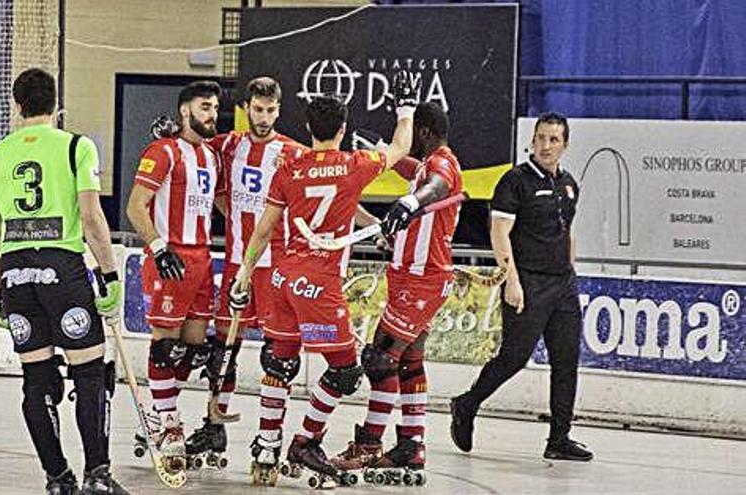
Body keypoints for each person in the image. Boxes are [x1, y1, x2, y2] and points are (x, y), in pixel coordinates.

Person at [231, 70, 420, 486]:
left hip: (281, 277)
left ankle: (266, 443)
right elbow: (401, 145)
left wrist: (245, 274)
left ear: (306, 128)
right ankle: (306, 439)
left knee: (278, 360)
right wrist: (404, 108)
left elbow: (263, 230)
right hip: (318, 283)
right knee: (344, 371)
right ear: (344, 129)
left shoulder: (289, 170)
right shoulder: (354, 165)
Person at [0, 68, 127, 494]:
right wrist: (110, 273)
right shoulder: (77, 147)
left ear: (17, 105)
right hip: (63, 270)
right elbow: (93, 219)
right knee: (90, 374)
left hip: (16, 273)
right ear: (56, 104)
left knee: (37, 380)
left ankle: (58, 478)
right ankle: (97, 475)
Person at [449, 112, 593, 461]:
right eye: (541, 138)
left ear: (565, 144)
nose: (546, 145)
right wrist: (511, 280)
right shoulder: (515, 181)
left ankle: (559, 438)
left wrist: (570, 272)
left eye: (554, 139)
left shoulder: (570, 183)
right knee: (513, 358)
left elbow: (567, 231)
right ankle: (466, 404)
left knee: (566, 363)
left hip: (562, 285)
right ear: (533, 140)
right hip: (526, 282)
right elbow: (499, 233)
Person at [330, 102, 463, 477]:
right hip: (412, 277)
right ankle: (410, 445)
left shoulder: (441, 164)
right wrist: (377, 147)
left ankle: (370, 444)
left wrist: (409, 201)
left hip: (421, 280)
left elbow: (437, 187)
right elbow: (406, 164)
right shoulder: (423, 164)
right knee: (408, 361)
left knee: (379, 358)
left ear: (423, 132)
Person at [183, 76, 306, 459]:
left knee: (277, 356)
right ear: (246, 109)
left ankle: (270, 436)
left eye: (271, 111)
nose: (264, 117)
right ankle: (214, 427)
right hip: (239, 263)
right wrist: (172, 130)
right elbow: (194, 142)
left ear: (279, 110)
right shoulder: (230, 145)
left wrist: (368, 222)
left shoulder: (293, 152)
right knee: (223, 351)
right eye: (258, 110)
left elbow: (336, 187)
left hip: (275, 269)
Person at [125, 80, 221, 461]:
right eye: (203, 107)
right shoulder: (163, 151)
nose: (211, 114)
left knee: (192, 349)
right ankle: (168, 423)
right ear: (185, 111)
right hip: (171, 258)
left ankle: (156, 414)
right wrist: (158, 248)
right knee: (165, 346)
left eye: (214, 107)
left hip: (202, 258)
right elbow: (135, 206)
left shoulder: (212, 156)